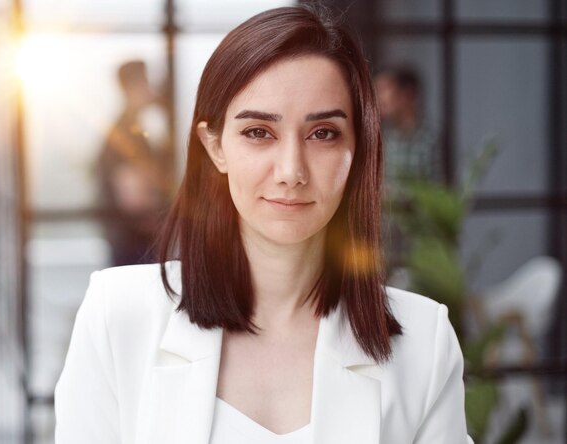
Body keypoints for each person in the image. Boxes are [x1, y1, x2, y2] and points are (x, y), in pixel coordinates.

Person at [56, 6, 472, 443]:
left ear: (358, 151)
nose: (291, 170)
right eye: (258, 132)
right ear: (215, 147)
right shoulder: (117, 317)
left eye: (323, 133)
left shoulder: (425, 343)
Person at [96, 60, 172, 266]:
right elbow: (134, 198)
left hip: (131, 241)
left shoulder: (129, 129)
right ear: (133, 86)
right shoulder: (126, 134)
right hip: (134, 245)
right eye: (146, 81)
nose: (152, 88)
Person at [374, 63, 442, 194]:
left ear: (407, 94)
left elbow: (441, 191)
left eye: (384, 89)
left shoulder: (432, 137)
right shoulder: (381, 136)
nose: (379, 97)